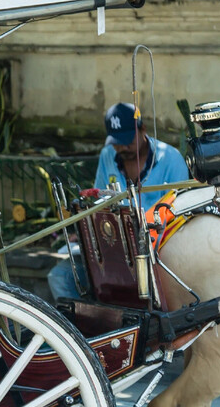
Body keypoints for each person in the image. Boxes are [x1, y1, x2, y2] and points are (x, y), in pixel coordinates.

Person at [47, 102, 188, 302]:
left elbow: (181, 214)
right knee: (60, 277)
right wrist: (86, 233)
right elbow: (100, 203)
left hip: (158, 252)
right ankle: (78, 330)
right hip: (114, 248)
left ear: (143, 130)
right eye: (116, 142)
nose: (122, 147)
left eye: (128, 140)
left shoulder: (171, 160)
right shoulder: (108, 156)